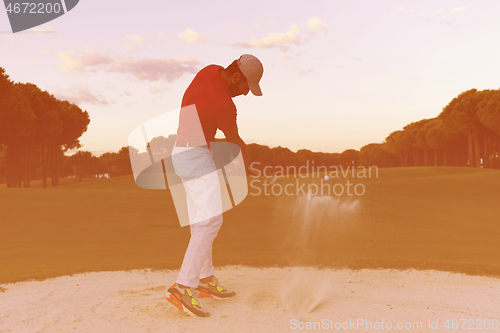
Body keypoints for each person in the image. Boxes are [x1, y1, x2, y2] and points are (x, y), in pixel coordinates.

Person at [166, 54, 264, 317]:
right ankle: (184, 286)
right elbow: (234, 141)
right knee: (211, 222)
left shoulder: (209, 70)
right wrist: (251, 164)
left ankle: (205, 279)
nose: (243, 95)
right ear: (235, 77)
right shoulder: (224, 103)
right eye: (245, 89)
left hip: (186, 152)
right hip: (194, 157)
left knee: (202, 221)